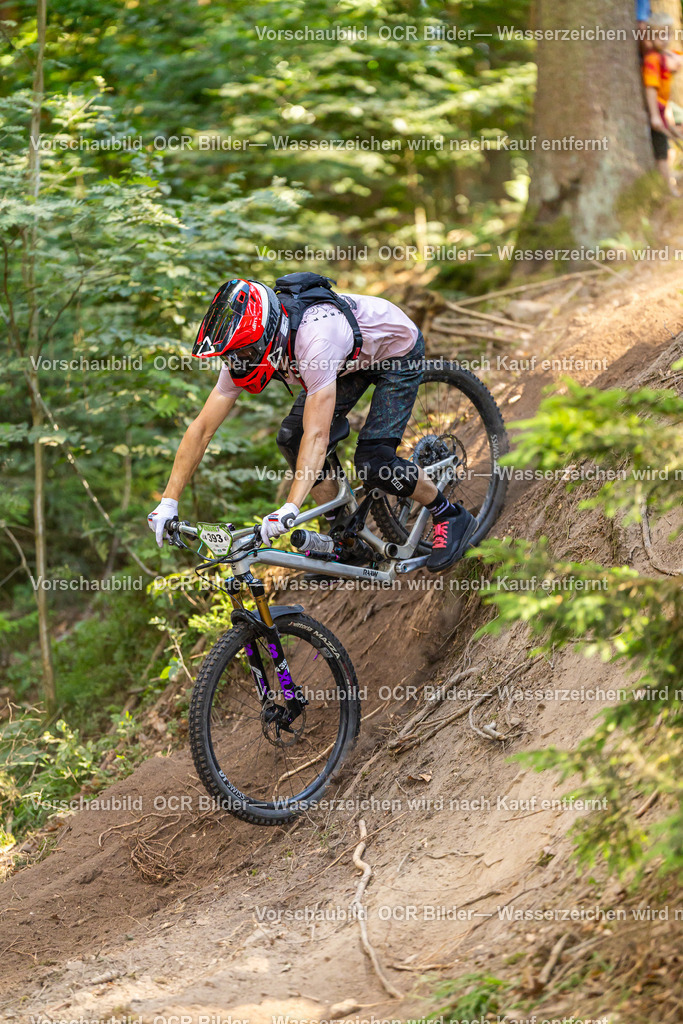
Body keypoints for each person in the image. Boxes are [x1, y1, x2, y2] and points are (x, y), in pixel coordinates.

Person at [147, 278, 477, 572]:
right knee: (291, 437)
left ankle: (448, 513)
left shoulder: (314, 342)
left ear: (267, 338)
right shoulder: (246, 354)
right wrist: (168, 502)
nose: (237, 363)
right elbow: (202, 429)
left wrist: (289, 508)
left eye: (243, 354)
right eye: (232, 355)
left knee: (374, 463)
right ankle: (345, 538)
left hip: (394, 350)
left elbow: (318, 435)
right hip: (348, 361)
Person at [642, 12, 683, 194]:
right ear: (650, 37)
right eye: (659, 36)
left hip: (662, 108)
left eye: (667, 34)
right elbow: (651, 89)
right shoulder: (652, 59)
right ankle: (668, 188)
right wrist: (654, 116)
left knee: (671, 142)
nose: (664, 39)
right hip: (656, 110)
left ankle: (670, 180)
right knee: (662, 152)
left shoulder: (662, 56)